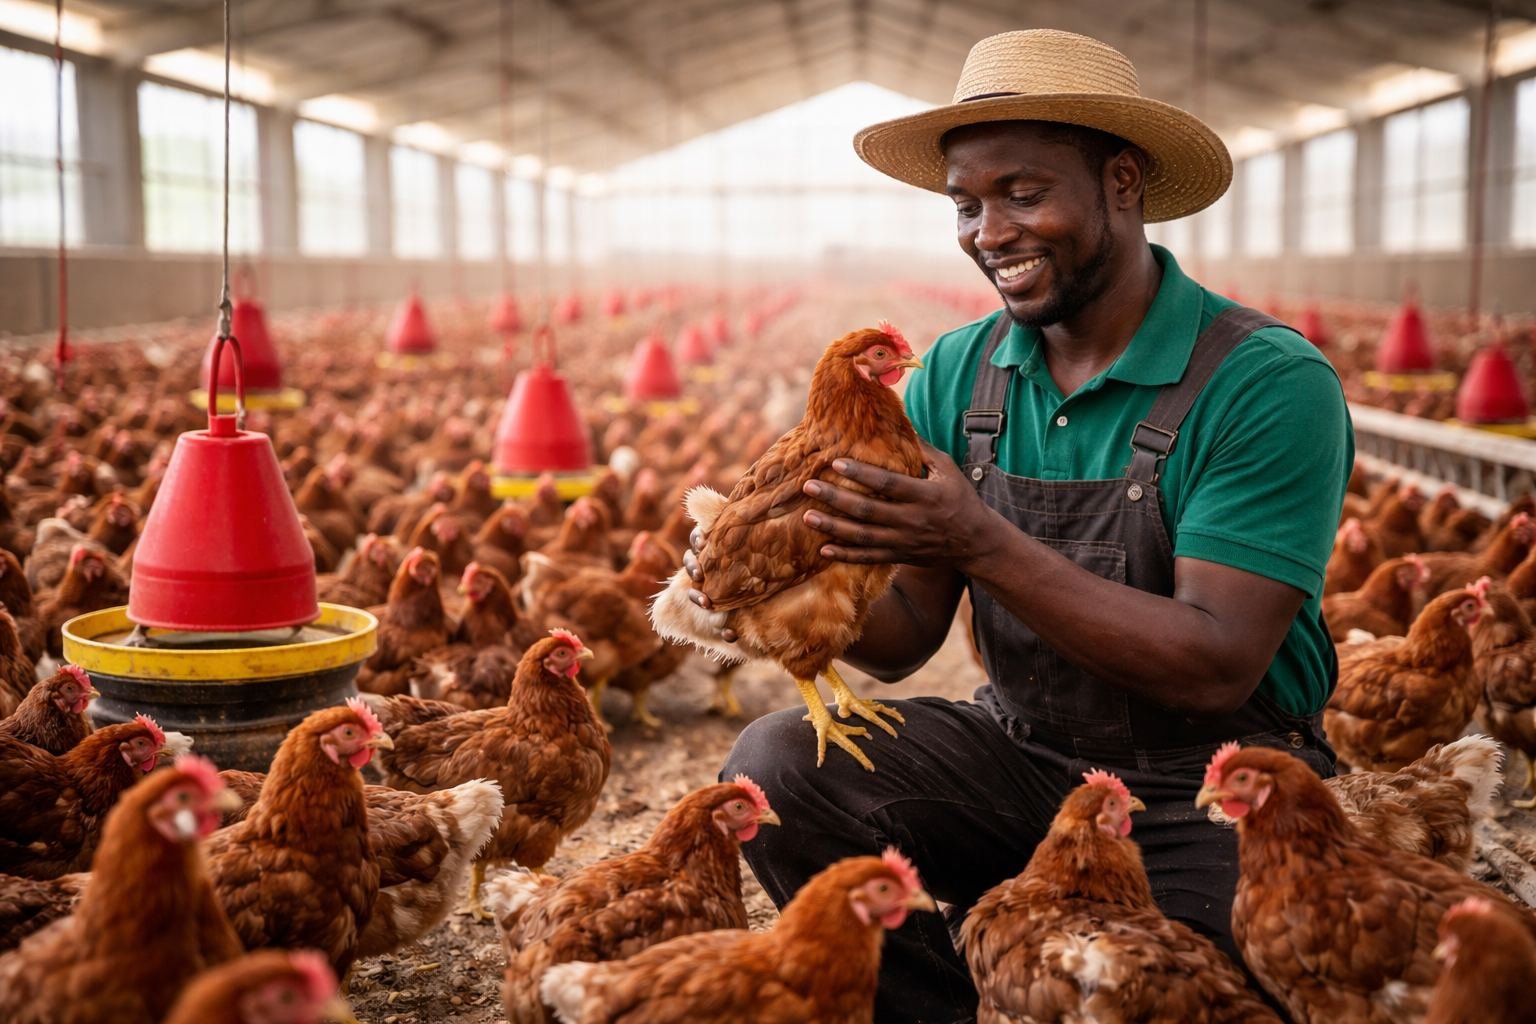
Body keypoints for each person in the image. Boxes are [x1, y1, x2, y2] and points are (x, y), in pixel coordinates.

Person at [706, 28, 1351, 1024]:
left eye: (1023, 192)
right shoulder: (957, 373)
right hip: (1026, 755)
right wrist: (784, 574)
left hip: (1214, 783)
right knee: (779, 767)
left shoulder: (1263, 381)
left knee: (1166, 983)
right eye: (966, 204)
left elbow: (1216, 664)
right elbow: (905, 638)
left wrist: (977, 538)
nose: (990, 231)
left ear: (1123, 182)